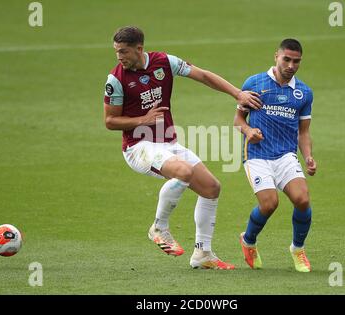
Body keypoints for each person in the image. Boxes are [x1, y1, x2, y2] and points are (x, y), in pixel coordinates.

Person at [103, 26, 261, 269]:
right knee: (184, 172)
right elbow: (110, 121)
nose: (119, 57)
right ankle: (159, 226)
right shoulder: (116, 80)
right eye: (116, 52)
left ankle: (203, 254)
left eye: (123, 51)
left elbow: (204, 76)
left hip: (168, 143)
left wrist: (237, 94)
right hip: (138, 147)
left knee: (211, 188)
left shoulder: (164, 62)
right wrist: (142, 120)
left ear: (139, 49)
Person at [234, 39, 316, 272]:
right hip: (257, 156)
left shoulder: (304, 93)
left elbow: (304, 132)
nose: (291, 65)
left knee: (302, 200)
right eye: (286, 59)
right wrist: (249, 131)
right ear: (276, 57)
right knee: (269, 204)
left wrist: (308, 156)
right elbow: (238, 120)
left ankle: (298, 249)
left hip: (285, 156)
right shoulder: (254, 83)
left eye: (296, 61)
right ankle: (248, 241)